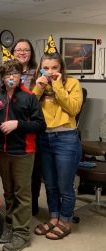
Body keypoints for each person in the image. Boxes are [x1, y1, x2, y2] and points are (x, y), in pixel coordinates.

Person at [0, 58, 46, 251]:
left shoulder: (29, 97)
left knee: (22, 193)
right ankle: (10, 225)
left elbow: (40, 125)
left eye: (15, 74)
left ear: (21, 76)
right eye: (7, 74)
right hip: (1, 151)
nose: (11, 77)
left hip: (23, 153)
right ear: (2, 77)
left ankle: (22, 233)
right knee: (8, 192)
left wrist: (18, 124)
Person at [33, 36, 82, 240]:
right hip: (44, 138)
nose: (51, 72)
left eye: (55, 67)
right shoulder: (40, 84)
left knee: (64, 185)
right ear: (40, 68)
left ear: (61, 67)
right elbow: (29, 108)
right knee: (50, 184)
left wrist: (59, 86)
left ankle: (65, 220)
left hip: (66, 139)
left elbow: (73, 108)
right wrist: (39, 87)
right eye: (46, 67)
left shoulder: (72, 83)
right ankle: (54, 217)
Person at [11, 39, 41, 216]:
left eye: (26, 50)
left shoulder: (38, 72)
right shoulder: (8, 71)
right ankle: (15, 205)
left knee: (34, 169)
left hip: (32, 125)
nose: (22, 53)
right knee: (15, 172)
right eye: (18, 50)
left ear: (31, 53)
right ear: (13, 52)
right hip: (12, 126)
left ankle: (33, 203)